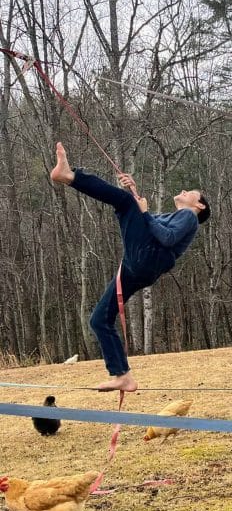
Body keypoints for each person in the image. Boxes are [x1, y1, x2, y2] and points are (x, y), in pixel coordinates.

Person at [48, 142, 209, 392]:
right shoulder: (173, 215)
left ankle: (69, 175)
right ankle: (122, 375)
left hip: (147, 259)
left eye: (192, 193)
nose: (185, 191)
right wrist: (135, 193)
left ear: (199, 206)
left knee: (125, 203)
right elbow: (149, 224)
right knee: (99, 318)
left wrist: (140, 210)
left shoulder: (189, 217)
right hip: (138, 266)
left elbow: (165, 238)